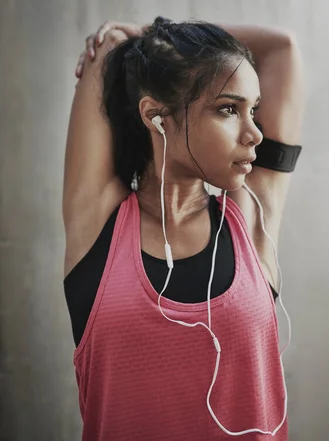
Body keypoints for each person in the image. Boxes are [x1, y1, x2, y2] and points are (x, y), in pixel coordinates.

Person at [62, 16, 304, 441]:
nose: (254, 134)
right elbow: (107, 49)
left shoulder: (251, 215)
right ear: (157, 116)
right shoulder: (98, 223)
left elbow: (282, 49)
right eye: (229, 109)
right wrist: (139, 44)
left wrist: (152, 32)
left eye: (254, 110)